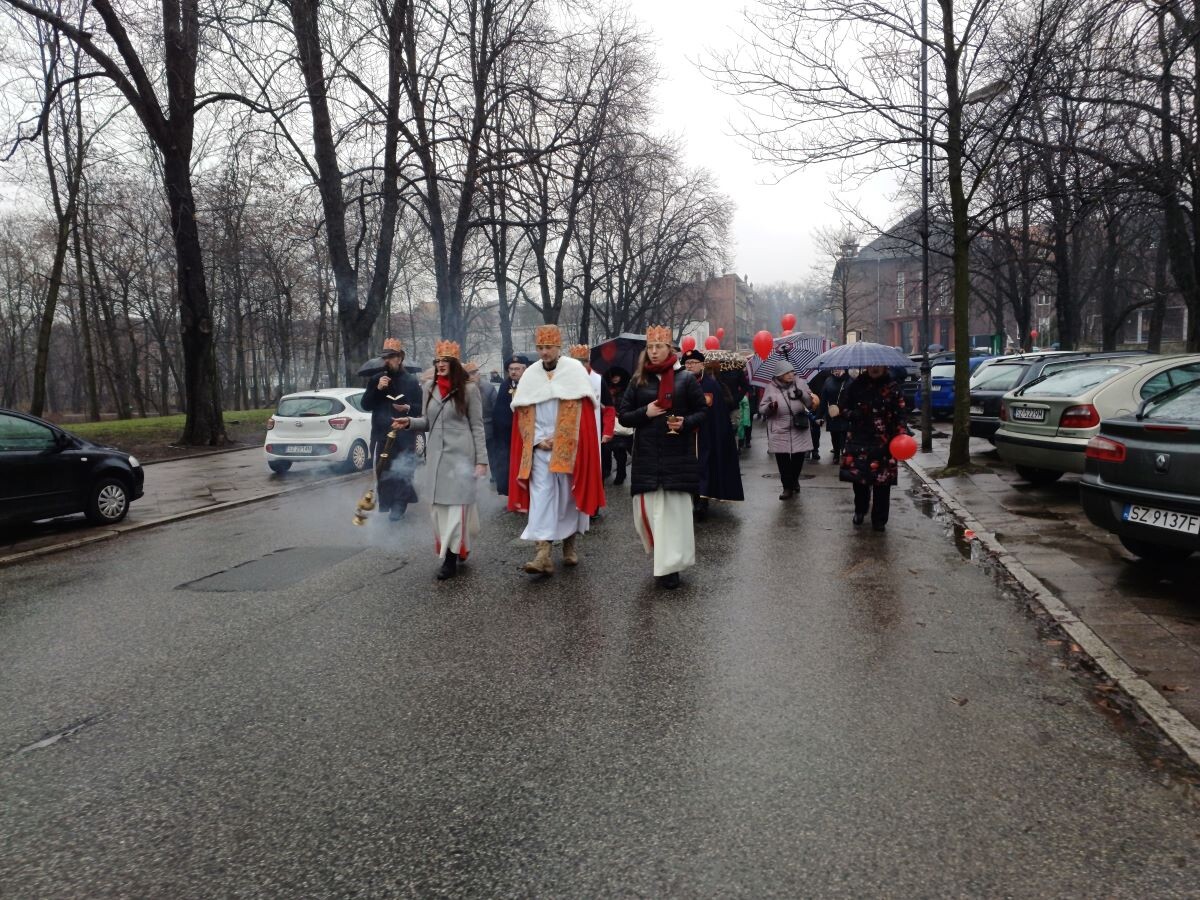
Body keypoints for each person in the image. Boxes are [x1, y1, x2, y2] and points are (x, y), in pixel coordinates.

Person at [507, 325, 605, 575]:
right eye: (540, 347)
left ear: (558, 347)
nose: (544, 352)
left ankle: (569, 547)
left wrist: (562, 439)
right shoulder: (530, 374)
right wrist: (539, 440)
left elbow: (584, 416)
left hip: (569, 448)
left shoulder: (574, 371)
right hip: (539, 449)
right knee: (542, 499)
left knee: (569, 498)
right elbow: (523, 414)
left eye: (548, 347)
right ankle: (543, 554)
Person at [618, 325, 707, 589]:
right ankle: (663, 559)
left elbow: (703, 411)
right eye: (651, 348)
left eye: (659, 347)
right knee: (649, 515)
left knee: (675, 517)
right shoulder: (638, 381)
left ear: (670, 348)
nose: (654, 352)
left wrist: (685, 422)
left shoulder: (686, 379)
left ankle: (670, 567)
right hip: (647, 457)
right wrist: (646, 411)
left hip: (677, 457)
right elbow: (623, 416)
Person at [393, 340, 487, 580]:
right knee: (438, 511)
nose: (440, 365)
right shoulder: (429, 388)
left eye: (445, 361)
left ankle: (451, 559)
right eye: (437, 361)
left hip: (460, 458)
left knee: (455, 510)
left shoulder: (468, 389)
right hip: (436, 458)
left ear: (455, 364)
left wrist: (481, 461)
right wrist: (410, 422)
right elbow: (427, 420)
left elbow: (477, 426)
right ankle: (457, 547)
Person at [360, 337, 422, 520]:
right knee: (384, 471)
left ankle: (399, 505)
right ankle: (387, 503)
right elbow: (365, 405)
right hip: (381, 435)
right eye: (385, 357)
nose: (388, 361)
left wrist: (408, 408)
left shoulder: (410, 380)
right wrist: (378, 389)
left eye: (392, 357)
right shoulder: (376, 379)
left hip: (404, 435)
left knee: (403, 471)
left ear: (400, 358)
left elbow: (420, 407)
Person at [840, 364, 908, 531]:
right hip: (859, 440)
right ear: (867, 367)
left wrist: (901, 434)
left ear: (885, 367)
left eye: (878, 366)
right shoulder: (856, 385)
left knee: (882, 483)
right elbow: (843, 408)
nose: (875, 368)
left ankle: (879, 519)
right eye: (872, 366)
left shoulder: (893, 387)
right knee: (860, 481)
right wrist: (851, 414)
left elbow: (901, 413)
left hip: (884, 442)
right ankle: (860, 509)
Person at [683, 349, 744, 517]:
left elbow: (717, 411)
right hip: (685, 433)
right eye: (687, 363)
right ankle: (689, 498)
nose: (689, 366)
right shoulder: (680, 382)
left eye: (693, 363)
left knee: (704, 466)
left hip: (706, 433)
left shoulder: (710, 384)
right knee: (688, 468)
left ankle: (702, 501)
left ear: (702, 365)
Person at [760, 360, 815, 500]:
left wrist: (802, 394)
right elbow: (762, 408)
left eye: (792, 371)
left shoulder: (800, 383)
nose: (791, 374)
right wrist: (770, 407)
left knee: (798, 459)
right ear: (779, 375)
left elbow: (811, 403)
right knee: (783, 461)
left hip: (799, 426)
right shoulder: (770, 388)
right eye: (787, 372)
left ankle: (794, 480)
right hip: (779, 428)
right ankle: (787, 488)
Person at [491, 353, 529, 497]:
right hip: (507, 435)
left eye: (517, 369)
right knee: (509, 465)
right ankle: (512, 493)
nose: (513, 372)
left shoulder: (531, 384)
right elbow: (499, 411)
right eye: (511, 369)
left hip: (526, 433)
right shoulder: (504, 385)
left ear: (524, 369)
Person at [466, 362, 498, 483]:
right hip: (471, 427)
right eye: (469, 374)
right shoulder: (465, 388)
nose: (473, 376)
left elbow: (496, 409)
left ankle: (495, 476)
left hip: (487, 426)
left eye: (474, 373)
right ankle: (470, 475)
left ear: (478, 374)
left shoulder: (489, 388)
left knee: (492, 454)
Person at [600, 366, 632, 485]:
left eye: (617, 375)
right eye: (612, 376)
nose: (615, 378)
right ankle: (613, 472)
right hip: (610, 423)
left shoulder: (628, 388)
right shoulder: (606, 388)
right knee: (611, 450)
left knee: (621, 451)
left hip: (623, 422)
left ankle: (621, 473)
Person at [820, 368, 852, 461]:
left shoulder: (850, 380)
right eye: (835, 370)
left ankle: (844, 451)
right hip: (833, 412)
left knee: (845, 433)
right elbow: (824, 399)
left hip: (846, 411)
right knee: (834, 434)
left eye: (839, 369)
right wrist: (820, 415)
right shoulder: (828, 381)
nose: (837, 371)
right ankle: (836, 454)